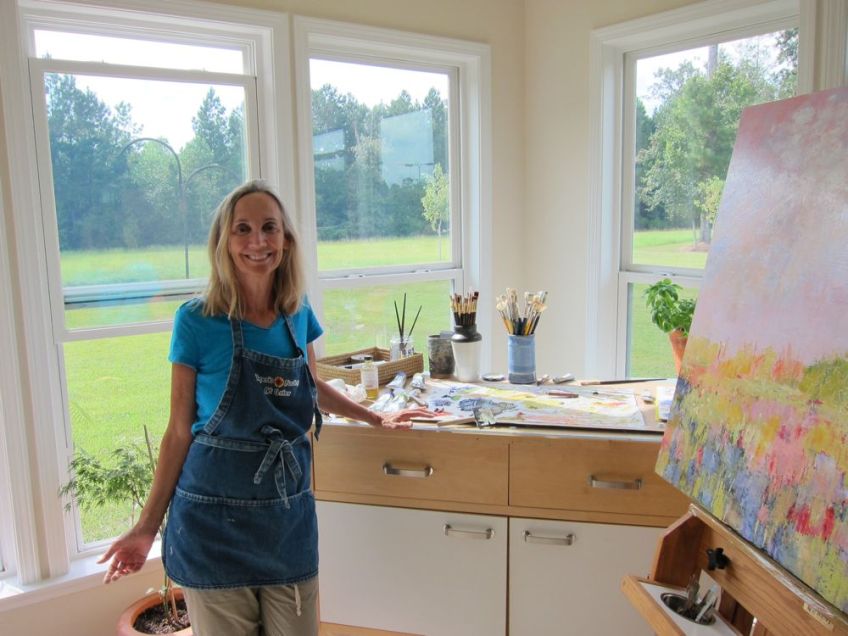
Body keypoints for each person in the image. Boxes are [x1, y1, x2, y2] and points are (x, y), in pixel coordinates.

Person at [98, 180, 432, 635]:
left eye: (269, 227)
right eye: (243, 229)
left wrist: (376, 415)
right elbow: (178, 432)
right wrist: (145, 527)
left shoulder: (297, 312)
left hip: (285, 522)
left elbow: (310, 386)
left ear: (285, 239)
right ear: (223, 241)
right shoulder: (196, 321)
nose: (258, 241)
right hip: (213, 526)